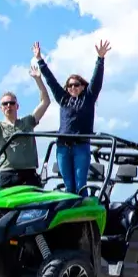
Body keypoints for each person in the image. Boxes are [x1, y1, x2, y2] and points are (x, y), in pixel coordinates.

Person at [0, 47, 53, 188]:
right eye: (5, 103)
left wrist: (38, 79)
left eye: (11, 103)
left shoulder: (28, 121)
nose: (9, 105)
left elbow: (46, 102)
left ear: (17, 106)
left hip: (29, 174)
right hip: (7, 175)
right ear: (1, 108)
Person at [36, 40, 109, 195]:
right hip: (63, 146)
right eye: (70, 85)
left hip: (81, 146)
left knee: (80, 184)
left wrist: (100, 60)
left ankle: (83, 215)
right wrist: (40, 60)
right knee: (68, 186)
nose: (73, 88)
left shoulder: (88, 98)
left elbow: (96, 82)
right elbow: (51, 82)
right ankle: (70, 216)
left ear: (82, 86)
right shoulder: (63, 99)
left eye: (76, 85)